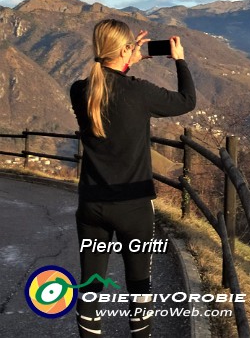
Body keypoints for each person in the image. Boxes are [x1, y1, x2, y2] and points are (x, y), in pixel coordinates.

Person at [69, 19, 195, 338]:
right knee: (139, 287)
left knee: (91, 286)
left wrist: (127, 58)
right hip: (133, 208)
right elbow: (186, 101)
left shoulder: (80, 90)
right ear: (126, 49)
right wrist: (178, 58)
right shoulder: (138, 92)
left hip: (91, 206)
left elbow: (108, 85)